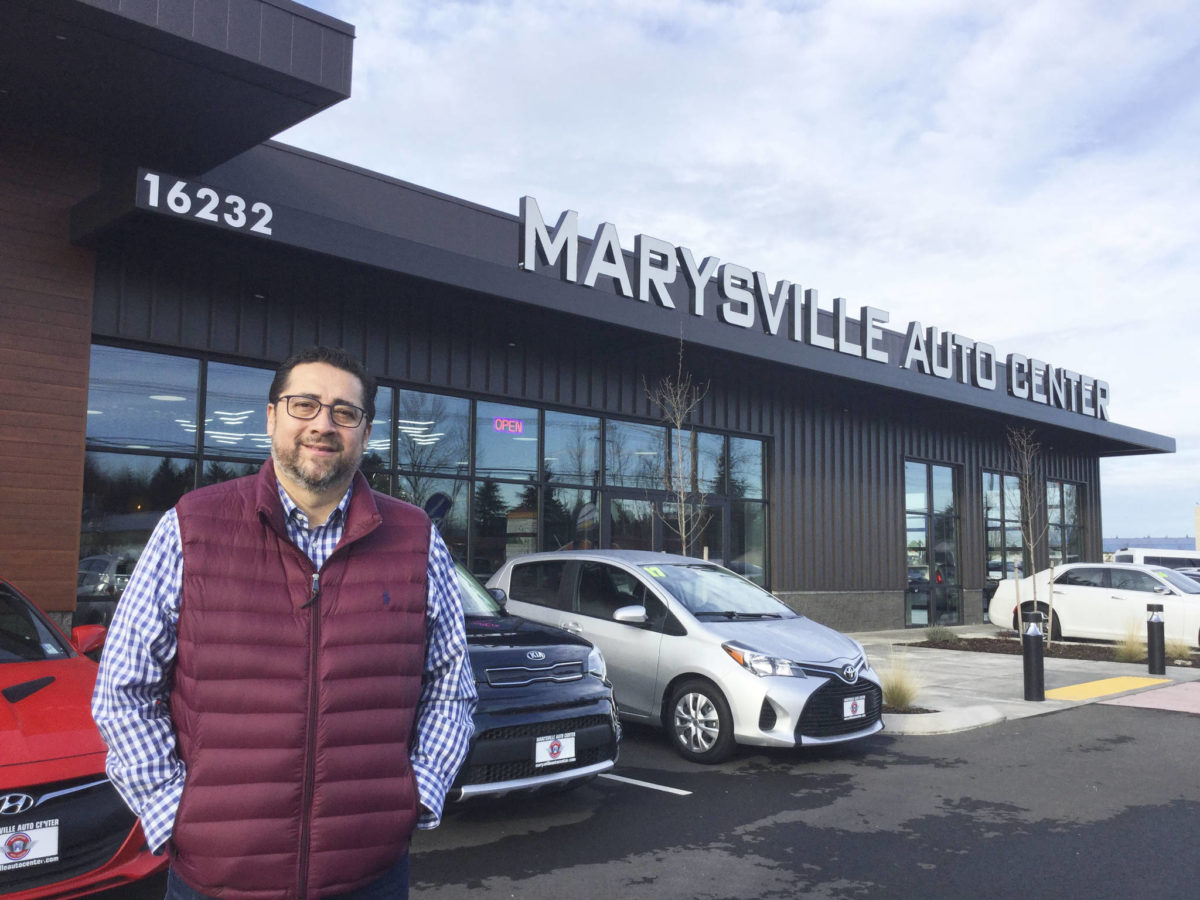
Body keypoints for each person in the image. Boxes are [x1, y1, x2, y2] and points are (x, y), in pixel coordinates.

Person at [92, 346, 477, 900]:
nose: (323, 424)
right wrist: (172, 811)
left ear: (365, 433)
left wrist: (416, 795)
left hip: (368, 876)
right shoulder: (192, 527)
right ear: (272, 416)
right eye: (305, 404)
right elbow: (123, 689)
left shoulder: (416, 540)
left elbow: (451, 688)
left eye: (345, 412)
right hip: (217, 880)